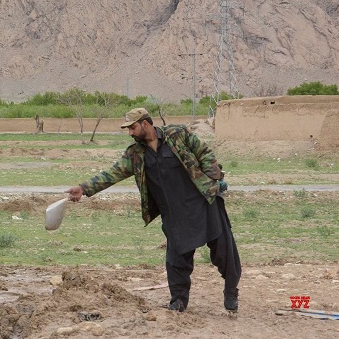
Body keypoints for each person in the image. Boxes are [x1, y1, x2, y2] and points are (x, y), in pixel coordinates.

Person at [67, 108, 241, 313]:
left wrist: (214, 182)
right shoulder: (136, 154)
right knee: (176, 260)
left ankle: (231, 292)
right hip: (174, 214)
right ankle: (178, 300)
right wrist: (84, 188)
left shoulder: (177, 135)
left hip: (202, 203)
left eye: (133, 127)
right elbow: (112, 174)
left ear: (146, 124)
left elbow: (204, 153)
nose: (130, 133)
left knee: (224, 250)